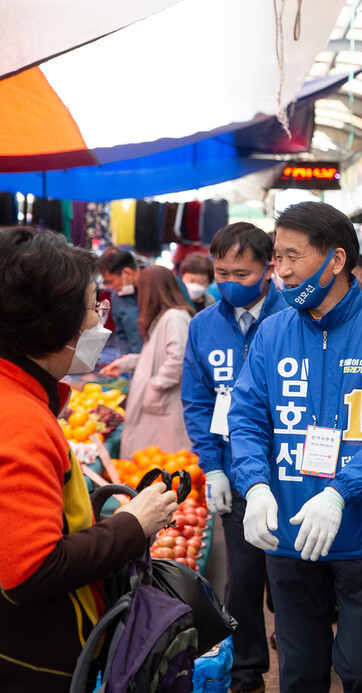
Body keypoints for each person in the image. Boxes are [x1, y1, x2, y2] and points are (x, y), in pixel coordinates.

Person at [228, 201, 362, 693]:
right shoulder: (273, 330)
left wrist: (340, 492)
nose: (280, 271)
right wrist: (255, 486)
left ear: (335, 260)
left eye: (292, 256)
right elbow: (245, 417)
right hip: (286, 532)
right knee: (300, 671)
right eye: (276, 257)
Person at [0, 227, 178, 693]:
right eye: (91, 308)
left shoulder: (23, 397)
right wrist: (132, 525)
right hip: (30, 661)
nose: (102, 321)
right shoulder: (19, 418)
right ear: (52, 323)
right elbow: (31, 571)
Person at [181, 222, 285, 693]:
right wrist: (214, 466)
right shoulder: (204, 326)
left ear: (269, 268)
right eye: (221, 271)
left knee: (294, 578)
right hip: (237, 472)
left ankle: (303, 648)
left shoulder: (292, 317)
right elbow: (198, 401)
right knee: (242, 578)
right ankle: (246, 670)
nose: (228, 281)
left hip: (294, 473)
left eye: (241, 272)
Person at [102, 266, 195, 458]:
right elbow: (154, 357)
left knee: (164, 465)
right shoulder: (165, 317)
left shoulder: (174, 317)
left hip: (164, 405)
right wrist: (125, 364)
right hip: (159, 405)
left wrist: (154, 386)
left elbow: (177, 361)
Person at [98, 247, 143, 354]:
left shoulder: (158, 286)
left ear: (126, 273)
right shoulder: (116, 298)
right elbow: (122, 336)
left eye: (111, 281)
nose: (110, 287)